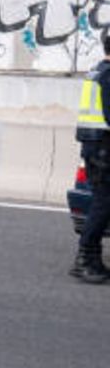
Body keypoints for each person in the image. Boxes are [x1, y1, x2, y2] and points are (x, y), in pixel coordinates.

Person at [72, 34, 110, 284]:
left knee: (102, 202)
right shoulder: (108, 76)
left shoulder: (96, 71)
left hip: (94, 146)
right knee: (103, 203)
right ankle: (84, 258)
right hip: (103, 148)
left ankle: (93, 259)